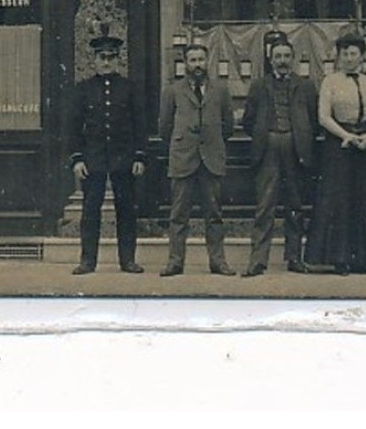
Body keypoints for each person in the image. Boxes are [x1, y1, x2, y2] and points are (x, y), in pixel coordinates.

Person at [65, 26, 147, 275]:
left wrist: (139, 156)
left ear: (118, 59)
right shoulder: (83, 90)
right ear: (95, 60)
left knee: (126, 209)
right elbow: (73, 126)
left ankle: (127, 260)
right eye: (102, 57)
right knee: (90, 210)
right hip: (94, 159)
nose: (107, 62)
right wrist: (77, 159)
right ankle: (87, 261)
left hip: (124, 158)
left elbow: (139, 125)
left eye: (111, 57)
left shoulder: (129, 88)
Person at [305, 33, 366, 275]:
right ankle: (339, 259)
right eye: (345, 54)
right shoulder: (330, 81)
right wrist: (346, 136)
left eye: (354, 54)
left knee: (365, 200)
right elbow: (323, 117)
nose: (349, 59)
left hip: (365, 146)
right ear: (338, 57)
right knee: (339, 201)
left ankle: (365, 259)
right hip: (338, 145)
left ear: (362, 57)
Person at [241, 32, 318, 276]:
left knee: (295, 206)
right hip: (268, 149)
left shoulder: (305, 86)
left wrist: (301, 137)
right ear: (270, 58)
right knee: (265, 206)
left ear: (293, 59)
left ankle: (294, 258)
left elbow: (314, 120)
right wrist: (266, 135)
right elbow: (248, 120)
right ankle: (258, 260)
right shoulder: (258, 85)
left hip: (296, 149)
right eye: (278, 56)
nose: (282, 60)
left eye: (286, 56)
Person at [158, 43, 236, 277]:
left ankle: (218, 261)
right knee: (178, 214)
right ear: (185, 63)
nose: (198, 65)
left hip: (211, 158)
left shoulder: (220, 90)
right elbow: (164, 127)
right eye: (192, 60)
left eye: (201, 60)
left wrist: (211, 142)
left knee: (214, 214)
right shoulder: (172, 90)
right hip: (183, 158)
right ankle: (175, 262)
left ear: (207, 61)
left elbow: (228, 126)